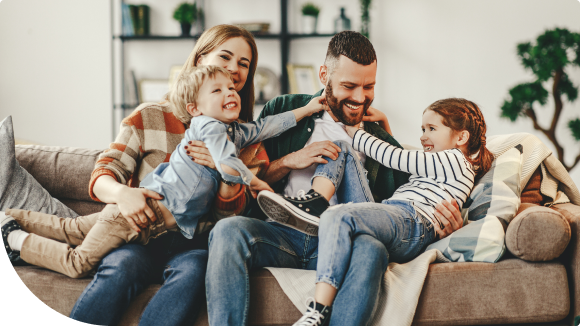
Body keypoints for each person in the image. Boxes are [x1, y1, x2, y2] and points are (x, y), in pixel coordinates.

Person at [203, 31, 465, 326]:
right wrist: (289, 162)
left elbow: (402, 205)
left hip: (342, 241)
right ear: (324, 75)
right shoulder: (285, 108)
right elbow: (249, 179)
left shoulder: (376, 135)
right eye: (349, 86)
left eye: (369, 87)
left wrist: (444, 224)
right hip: (283, 234)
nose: (359, 98)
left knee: (372, 249)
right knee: (227, 231)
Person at [5, 25, 263, 326]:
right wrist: (122, 194)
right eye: (225, 57)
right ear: (200, 60)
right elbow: (104, 172)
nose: (234, 69)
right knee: (120, 266)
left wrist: (227, 178)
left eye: (243, 64)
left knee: (193, 272)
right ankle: (11, 228)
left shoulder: (242, 138)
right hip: (137, 236)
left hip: (190, 243)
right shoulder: (151, 114)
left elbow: (228, 219)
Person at [0, 65, 327, 279]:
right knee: (78, 263)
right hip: (134, 215)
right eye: (218, 90)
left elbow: (267, 126)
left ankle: (7, 215)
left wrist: (308, 109)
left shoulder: (233, 132)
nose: (230, 93)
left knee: (69, 228)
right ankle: (14, 238)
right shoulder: (207, 126)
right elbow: (227, 163)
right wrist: (257, 183)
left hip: (147, 226)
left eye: (232, 88)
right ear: (194, 109)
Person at [257, 98, 493, 325]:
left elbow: (395, 158)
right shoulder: (439, 165)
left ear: (462, 136)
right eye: (422, 129)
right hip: (393, 215)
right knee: (341, 149)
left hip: (412, 220)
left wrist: (352, 128)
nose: (423, 137)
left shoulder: (455, 160)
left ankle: (318, 309)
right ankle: (315, 202)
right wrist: (385, 125)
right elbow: (403, 167)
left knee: (336, 215)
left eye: (432, 128)